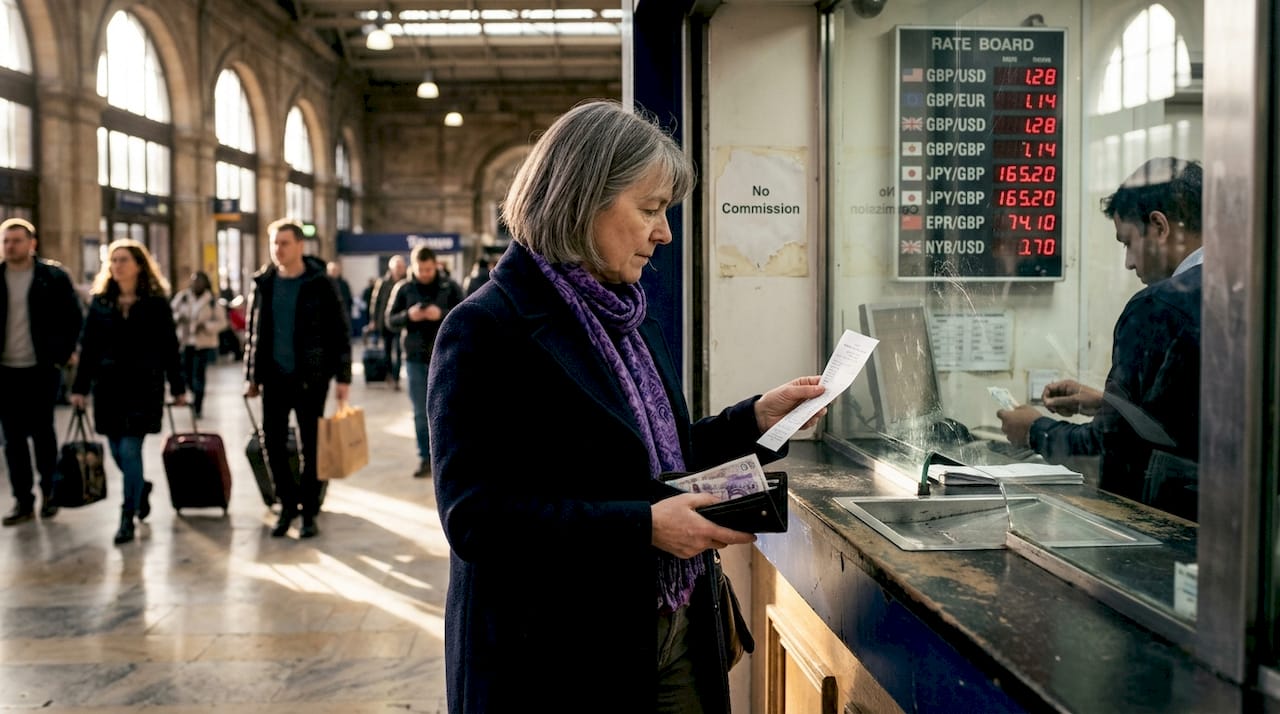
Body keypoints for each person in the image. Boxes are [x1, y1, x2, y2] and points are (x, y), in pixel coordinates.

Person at [427, 100, 827, 714]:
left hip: (674, 629)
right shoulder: (484, 328)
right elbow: (477, 517)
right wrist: (644, 527)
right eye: (649, 209)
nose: (664, 232)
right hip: (556, 658)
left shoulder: (627, 317)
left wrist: (754, 421)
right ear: (582, 199)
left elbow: (649, 464)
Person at [997, 157, 1202, 520]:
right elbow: (1192, 419)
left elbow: (1109, 454)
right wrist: (1113, 406)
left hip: (1172, 527)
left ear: (1159, 226)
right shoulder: (1252, 290)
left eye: (1128, 242)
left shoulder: (1159, 307)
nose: (1127, 263)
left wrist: (1033, 430)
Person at [70, 239, 186, 544]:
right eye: (113, 260)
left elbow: (169, 348)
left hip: (143, 386)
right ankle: (141, 488)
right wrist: (79, 388)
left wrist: (178, 386)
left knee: (131, 450)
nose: (117, 265)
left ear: (138, 265)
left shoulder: (156, 303)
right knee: (118, 453)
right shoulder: (101, 302)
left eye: (123, 260)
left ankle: (126, 516)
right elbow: (89, 347)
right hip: (107, 388)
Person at [243, 219, 351, 539]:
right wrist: (251, 375)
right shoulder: (264, 282)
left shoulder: (320, 282)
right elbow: (254, 333)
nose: (278, 249)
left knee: (311, 447)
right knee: (272, 445)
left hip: (310, 379)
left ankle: (308, 511)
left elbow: (339, 331)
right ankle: (286, 505)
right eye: (274, 243)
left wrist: (343, 376)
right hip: (273, 379)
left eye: (284, 243)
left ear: (300, 245)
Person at [0, 218, 83, 526]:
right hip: (5, 371)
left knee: (42, 433)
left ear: (31, 243)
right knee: (12, 439)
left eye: (16, 240)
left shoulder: (53, 277)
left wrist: (62, 355)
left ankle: (50, 491)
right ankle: (23, 500)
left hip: (41, 369)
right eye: (6, 240)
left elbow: (73, 317)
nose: (10, 246)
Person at [386, 244, 464, 478]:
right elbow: (389, 320)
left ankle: (451, 458)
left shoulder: (449, 286)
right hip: (415, 358)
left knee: (451, 409)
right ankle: (425, 458)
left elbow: (466, 313)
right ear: (414, 266)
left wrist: (441, 314)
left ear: (435, 265)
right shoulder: (403, 288)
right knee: (421, 412)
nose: (426, 274)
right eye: (422, 270)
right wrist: (408, 316)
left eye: (429, 269)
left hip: (448, 357)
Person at [170, 271, 226, 419]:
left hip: (203, 343)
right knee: (187, 375)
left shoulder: (211, 301)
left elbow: (222, 322)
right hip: (186, 342)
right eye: (194, 281)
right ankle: (193, 392)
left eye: (200, 282)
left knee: (199, 376)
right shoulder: (182, 297)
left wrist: (206, 326)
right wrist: (178, 318)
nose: (196, 284)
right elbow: (170, 314)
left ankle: (198, 405)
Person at [366, 255, 406, 389]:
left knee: (399, 351)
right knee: (388, 350)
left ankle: (396, 378)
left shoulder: (407, 282)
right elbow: (375, 303)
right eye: (397, 266)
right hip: (386, 322)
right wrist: (373, 320)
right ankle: (389, 374)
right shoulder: (383, 282)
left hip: (402, 322)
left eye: (401, 266)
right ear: (391, 268)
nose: (400, 269)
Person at [326, 260, 354, 335]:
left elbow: (349, 299)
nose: (334, 272)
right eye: (332, 270)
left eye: (336, 270)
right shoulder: (322, 284)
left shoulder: (344, 284)